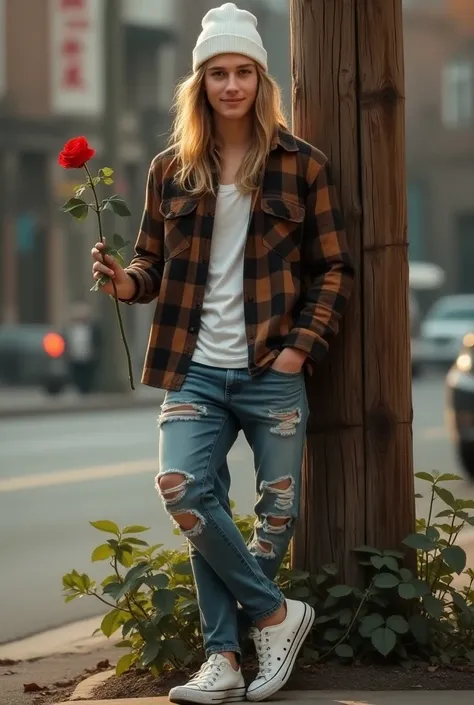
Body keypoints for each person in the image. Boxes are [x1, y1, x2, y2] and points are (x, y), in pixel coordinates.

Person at [91, 3, 355, 701]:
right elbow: (152, 263)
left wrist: (301, 348)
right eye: (218, 73)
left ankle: (224, 661)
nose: (231, 85)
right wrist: (127, 283)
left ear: (261, 81)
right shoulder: (169, 170)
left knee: (272, 523)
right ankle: (273, 615)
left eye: (243, 72)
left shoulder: (303, 166)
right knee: (184, 491)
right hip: (196, 368)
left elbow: (333, 267)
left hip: (273, 370)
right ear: (200, 83)